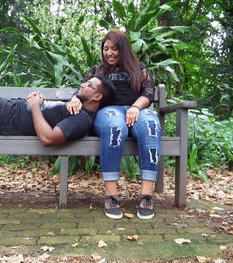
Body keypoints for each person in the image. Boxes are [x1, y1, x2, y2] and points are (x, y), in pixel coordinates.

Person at [67, 29, 161, 220]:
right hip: (108, 112)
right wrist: (75, 98)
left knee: (151, 126)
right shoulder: (97, 70)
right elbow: (82, 89)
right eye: (106, 49)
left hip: (138, 110)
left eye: (114, 49)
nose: (109, 53)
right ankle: (111, 196)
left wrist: (135, 107)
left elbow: (148, 93)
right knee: (115, 126)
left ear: (123, 49)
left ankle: (146, 196)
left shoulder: (139, 69)